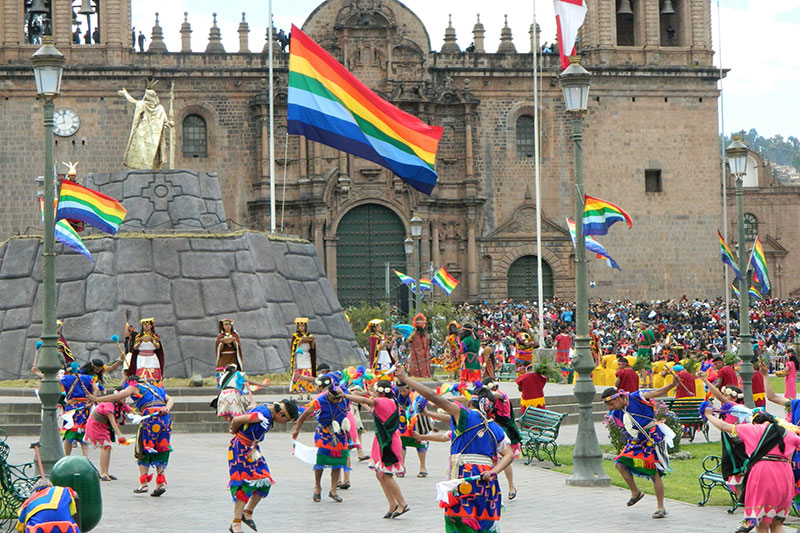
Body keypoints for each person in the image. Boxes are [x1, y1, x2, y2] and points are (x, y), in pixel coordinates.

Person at [395, 366, 514, 532]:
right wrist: (494, 472)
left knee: (460, 523)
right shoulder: (495, 428)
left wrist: (406, 379)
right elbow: (509, 455)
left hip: (466, 478)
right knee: (483, 525)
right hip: (488, 482)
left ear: (472, 402)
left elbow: (434, 396)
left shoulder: (466, 416)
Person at [704, 409, 800, 533]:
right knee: (777, 522)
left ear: (756, 422)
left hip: (762, 471)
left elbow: (723, 426)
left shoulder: (751, 429)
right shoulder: (788, 434)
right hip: (784, 473)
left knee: (760, 522)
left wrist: (708, 415)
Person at [602, 380, 676, 519]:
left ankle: (661, 507)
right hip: (637, 440)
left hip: (652, 436)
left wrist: (672, 385)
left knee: (654, 472)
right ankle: (635, 493)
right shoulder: (617, 411)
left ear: (618, 398)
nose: (611, 408)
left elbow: (657, 392)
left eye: (611, 404)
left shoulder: (637, 396)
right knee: (619, 463)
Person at [89, 376, 174, 497]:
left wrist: (96, 398)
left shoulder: (134, 386)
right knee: (162, 446)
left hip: (151, 418)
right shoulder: (155, 387)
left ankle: (144, 484)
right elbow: (170, 399)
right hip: (165, 419)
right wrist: (167, 408)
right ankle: (160, 483)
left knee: (143, 447)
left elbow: (117, 397)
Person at [228, 399, 299, 533]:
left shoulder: (269, 411)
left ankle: (247, 513)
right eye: (286, 420)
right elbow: (236, 420)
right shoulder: (262, 415)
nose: (285, 423)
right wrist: (234, 431)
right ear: (281, 414)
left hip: (252, 449)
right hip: (240, 449)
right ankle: (236, 523)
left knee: (264, 481)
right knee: (244, 484)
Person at [342, 380, 409, 519]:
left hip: (388, 442)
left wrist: (345, 395)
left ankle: (402, 504)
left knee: (387, 475)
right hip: (382, 440)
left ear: (381, 392)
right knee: (380, 474)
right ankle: (392, 504)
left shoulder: (383, 402)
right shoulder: (390, 401)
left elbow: (362, 399)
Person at [292, 375, 351, 503]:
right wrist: (297, 429)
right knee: (320, 460)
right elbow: (305, 415)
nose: (337, 401)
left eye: (338, 399)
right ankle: (317, 488)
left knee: (338, 462)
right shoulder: (319, 402)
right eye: (334, 399)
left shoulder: (344, 398)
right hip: (324, 433)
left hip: (340, 432)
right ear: (328, 395)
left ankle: (333, 490)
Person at [118, 80, 173, 169]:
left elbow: (165, 121)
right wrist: (125, 94)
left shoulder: (159, 108)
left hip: (151, 133)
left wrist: (168, 123)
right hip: (144, 132)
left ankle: (151, 168)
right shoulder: (144, 105)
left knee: (151, 152)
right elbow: (134, 101)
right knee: (142, 151)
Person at [484, 377, 520, 499]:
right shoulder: (486, 400)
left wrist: (485, 392)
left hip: (504, 430)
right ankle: (493, 488)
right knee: (493, 461)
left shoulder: (501, 396)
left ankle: (511, 486)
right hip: (491, 430)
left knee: (505, 459)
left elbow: (496, 395)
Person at [85, 396, 131, 481]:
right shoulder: (109, 404)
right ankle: (103, 473)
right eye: (123, 397)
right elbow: (112, 422)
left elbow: (130, 411)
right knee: (105, 446)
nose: (125, 399)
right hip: (96, 426)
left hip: (104, 426)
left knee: (108, 447)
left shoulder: (120, 404)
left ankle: (105, 472)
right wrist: (120, 435)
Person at [60, 362, 99, 458]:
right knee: (83, 431)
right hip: (84, 407)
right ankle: (86, 457)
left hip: (71, 408)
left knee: (69, 431)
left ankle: (67, 456)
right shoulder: (88, 378)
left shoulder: (66, 378)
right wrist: (92, 400)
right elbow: (97, 389)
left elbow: (59, 390)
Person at [15, 478, 80, 533]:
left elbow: (20, 527)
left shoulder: (28, 501)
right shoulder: (63, 490)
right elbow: (75, 495)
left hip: (38, 529)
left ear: (35, 491)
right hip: (66, 527)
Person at [396, 381, 429, 478]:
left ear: (409, 388)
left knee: (419, 443)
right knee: (401, 443)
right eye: (400, 391)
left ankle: (423, 467)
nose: (402, 393)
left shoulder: (416, 393)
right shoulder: (395, 392)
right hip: (402, 421)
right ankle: (401, 467)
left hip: (415, 419)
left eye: (404, 390)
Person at [127, 318, 165, 383]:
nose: (146, 326)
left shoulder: (154, 336)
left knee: (153, 374)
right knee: (141, 375)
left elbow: (158, 347)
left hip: (152, 358)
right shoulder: (139, 336)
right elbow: (135, 348)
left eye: (148, 325)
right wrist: (140, 342)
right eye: (144, 325)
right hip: (141, 358)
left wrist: (152, 340)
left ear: (151, 326)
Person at [290, 317, 316, 399]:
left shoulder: (309, 335)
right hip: (299, 356)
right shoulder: (295, 336)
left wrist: (312, 341)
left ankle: (308, 393)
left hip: (307, 356)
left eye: (303, 326)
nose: (301, 327)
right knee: (300, 374)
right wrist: (301, 340)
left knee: (308, 373)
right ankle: (300, 394)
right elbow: (295, 345)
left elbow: (312, 347)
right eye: (300, 326)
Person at [407, 313, 431, 378]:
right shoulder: (425, 333)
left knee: (416, 363)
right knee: (424, 364)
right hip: (424, 353)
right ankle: (424, 375)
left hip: (416, 353)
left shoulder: (414, 333)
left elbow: (408, 341)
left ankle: (416, 375)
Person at [635, 321, 656, 388]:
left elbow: (638, 342)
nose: (640, 326)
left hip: (642, 350)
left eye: (641, 325)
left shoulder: (642, 333)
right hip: (648, 349)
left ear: (644, 325)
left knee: (642, 367)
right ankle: (651, 382)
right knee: (649, 366)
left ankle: (644, 382)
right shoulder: (651, 332)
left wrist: (637, 336)